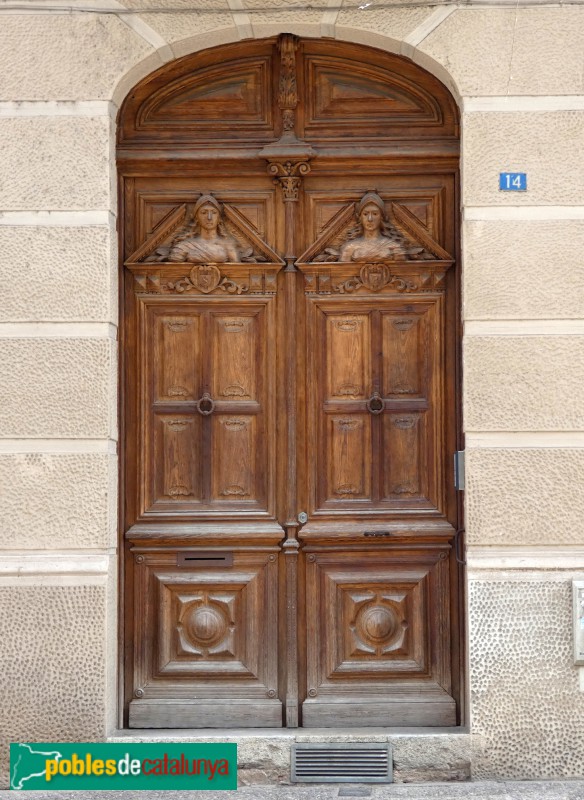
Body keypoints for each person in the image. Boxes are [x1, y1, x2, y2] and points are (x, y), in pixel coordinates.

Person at [338, 191, 417, 262]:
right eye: (365, 214)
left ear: (382, 217)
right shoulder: (349, 248)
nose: (370, 219)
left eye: (375, 214)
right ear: (360, 218)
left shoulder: (394, 247)